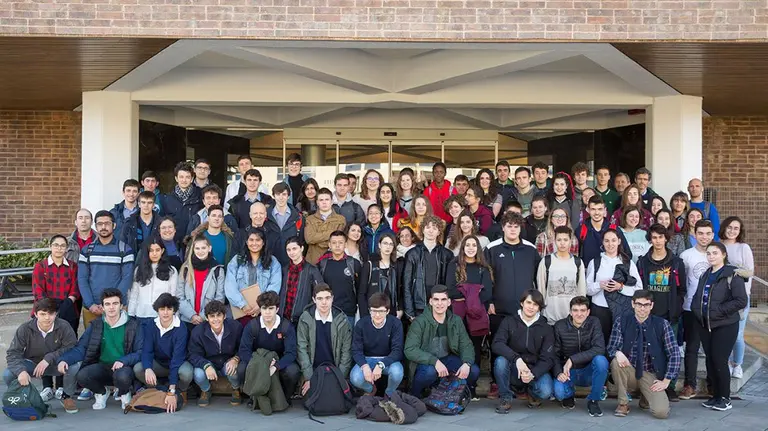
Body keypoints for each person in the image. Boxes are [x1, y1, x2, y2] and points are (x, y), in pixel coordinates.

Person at [58, 288, 142, 411]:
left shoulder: (134, 325)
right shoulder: (96, 325)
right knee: (82, 375)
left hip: (124, 368)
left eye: (115, 303)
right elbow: (81, 348)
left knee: (123, 377)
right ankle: (102, 392)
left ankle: (124, 393)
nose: (111, 307)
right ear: (102, 307)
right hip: (103, 367)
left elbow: (140, 352)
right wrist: (65, 360)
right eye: (107, 304)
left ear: (122, 306)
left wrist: (124, 361)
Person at [485, 211, 540, 398]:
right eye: (509, 226)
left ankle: (522, 384)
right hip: (499, 308)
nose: (513, 229)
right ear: (503, 227)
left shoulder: (531, 250)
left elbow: (537, 278)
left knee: (523, 346)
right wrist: (489, 301)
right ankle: (496, 382)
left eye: (516, 226)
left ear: (520, 228)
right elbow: (486, 278)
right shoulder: (492, 249)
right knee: (498, 344)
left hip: (525, 311)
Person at [691, 243, 748, 411]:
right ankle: (715, 396)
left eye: (715, 253)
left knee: (719, 360)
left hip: (725, 324)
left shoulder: (732, 275)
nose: (711, 256)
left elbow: (741, 300)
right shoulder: (705, 274)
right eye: (708, 253)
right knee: (710, 360)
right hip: (705, 324)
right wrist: (696, 311)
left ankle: (725, 398)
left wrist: (719, 311)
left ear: (723, 254)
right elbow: (698, 297)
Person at [608, 290, 679, 419]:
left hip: (651, 374)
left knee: (661, 413)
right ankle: (623, 403)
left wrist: (667, 380)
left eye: (646, 305)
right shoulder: (622, 321)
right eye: (639, 304)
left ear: (651, 305)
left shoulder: (662, 324)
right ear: (632, 304)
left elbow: (674, 353)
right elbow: (612, 346)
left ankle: (645, 398)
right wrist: (617, 352)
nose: (642, 308)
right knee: (615, 362)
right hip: (629, 370)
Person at [636, 224, 687, 401]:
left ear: (666, 238)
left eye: (660, 237)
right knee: (645, 351)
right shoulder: (642, 262)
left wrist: (676, 308)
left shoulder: (676, 262)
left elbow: (682, 290)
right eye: (654, 237)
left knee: (670, 352)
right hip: (647, 315)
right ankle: (645, 385)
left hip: (669, 316)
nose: (657, 241)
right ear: (650, 239)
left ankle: (669, 386)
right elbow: (638, 287)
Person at [4, 298, 79, 412]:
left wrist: (48, 358)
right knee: (8, 374)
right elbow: (13, 353)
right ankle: (24, 398)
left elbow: (72, 347)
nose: (47, 318)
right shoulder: (25, 328)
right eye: (43, 314)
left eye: (51, 314)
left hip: (57, 363)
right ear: (35, 314)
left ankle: (67, 397)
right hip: (33, 364)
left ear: (56, 314)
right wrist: (21, 371)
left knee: (74, 366)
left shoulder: (64, 326)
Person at [404, 284, 479, 397]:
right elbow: (410, 350)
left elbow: (466, 345)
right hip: (426, 363)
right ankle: (416, 394)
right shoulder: (419, 322)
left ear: (449, 302)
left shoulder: (456, 320)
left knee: (473, 370)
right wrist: (434, 361)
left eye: (443, 299)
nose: (440, 303)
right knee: (429, 373)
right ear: (431, 301)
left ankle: (450, 392)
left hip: (447, 359)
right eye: (436, 299)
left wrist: (467, 363)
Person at [492, 290, 555, 412]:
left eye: (535, 304)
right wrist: (516, 359)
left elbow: (548, 358)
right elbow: (497, 344)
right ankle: (506, 397)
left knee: (546, 391)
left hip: (535, 368)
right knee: (500, 362)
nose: (531, 307)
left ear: (539, 308)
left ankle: (532, 393)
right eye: (528, 302)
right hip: (514, 367)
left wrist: (533, 373)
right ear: (522, 303)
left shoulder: (546, 328)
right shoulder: (509, 321)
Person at [446, 235, 493, 385]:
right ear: (463, 248)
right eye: (467, 245)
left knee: (475, 348)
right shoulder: (454, 265)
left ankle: (472, 384)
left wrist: (464, 291)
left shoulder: (483, 268)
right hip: (458, 315)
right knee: (456, 346)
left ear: (478, 248)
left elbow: (487, 293)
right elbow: (451, 291)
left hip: (477, 315)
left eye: (474, 245)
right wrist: (474, 292)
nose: (471, 248)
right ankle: (457, 382)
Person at [134, 293, 194, 409]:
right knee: (139, 368)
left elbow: (176, 359)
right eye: (162, 309)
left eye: (169, 309)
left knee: (186, 373)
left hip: (178, 363)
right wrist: (148, 368)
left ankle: (180, 391)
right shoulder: (151, 325)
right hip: (159, 363)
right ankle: (159, 391)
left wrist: (171, 391)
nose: (165, 312)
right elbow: (147, 350)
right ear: (157, 310)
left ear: (174, 310)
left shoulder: (181, 328)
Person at [237, 291, 300, 401]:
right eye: (264, 308)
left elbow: (291, 353)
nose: (267, 312)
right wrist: (260, 364)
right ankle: (252, 396)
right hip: (257, 359)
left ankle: (285, 397)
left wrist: (276, 366)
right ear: (260, 309)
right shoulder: (252, 326)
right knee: (242, 368)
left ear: (277, 309)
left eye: (271, 308)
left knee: (293, 371)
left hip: (279, 360)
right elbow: (244, 350)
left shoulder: (286, 327)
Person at [678, 219, 715, 400]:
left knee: (711, 349)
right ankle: (690, 385)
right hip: (690, 308)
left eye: (708, 233)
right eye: (700, 233)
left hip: (713, 310)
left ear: (713, 235)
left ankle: (712, 384)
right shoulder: (686, 255)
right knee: (691, 347)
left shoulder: (717, 254)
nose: (704, 237)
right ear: (694, 234)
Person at [552, 296, 607, 416]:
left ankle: (593, 400)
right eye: (575, 310)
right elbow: (554, 354)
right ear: (570, 312)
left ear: (588, 312)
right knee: (559, 392)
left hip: (588, 371)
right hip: (568, 372)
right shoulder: (560, 326)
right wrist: (558, 373)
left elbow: (599, 348)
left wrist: (573, 359)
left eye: (583, 310)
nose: (579, 314)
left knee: (601, 361)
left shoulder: (594, 323)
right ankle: (569, 394)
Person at [78, 210, 134, 328]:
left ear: (114, 225)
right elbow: (82, 279)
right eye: (100, 224)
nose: (103, 227)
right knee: (92, 344)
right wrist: (90, 304)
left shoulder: (124, 250)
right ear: (95, 226)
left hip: (116, 308)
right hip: (92, 308)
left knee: (115, 344)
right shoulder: (87, 250)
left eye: (107, 223)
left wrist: (112, 305)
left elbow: (127, 279)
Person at [586, 229, 642, 344]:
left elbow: (639, 289)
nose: (610, 244)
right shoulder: (595, 263)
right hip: (600, 310)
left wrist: (620, 287)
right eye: (607, 241)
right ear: (602, 243)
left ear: (619, 241)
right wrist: (600, 285)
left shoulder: (628, 263)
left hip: (622, 310)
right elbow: (587, 289)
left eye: (613, 240)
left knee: (620, 343)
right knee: (600, 343)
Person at [297, 283, 353, 396]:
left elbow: (346, 352)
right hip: (313, 370)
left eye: (327, 298)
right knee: (313, 398)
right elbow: (301, 348)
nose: (324, 302)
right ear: (314, 299)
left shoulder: (342, 320)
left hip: (334, 370)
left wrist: (340, 378)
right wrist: (309, 377)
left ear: (332, 299)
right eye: (320, 298)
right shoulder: (306, 318)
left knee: (334, 398)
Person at [187, 299, 243, 407]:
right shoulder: (198, 331)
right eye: (212, 316)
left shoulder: (235, 327)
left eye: (219, 315)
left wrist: (236, 359)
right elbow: (193, 354)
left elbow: (244, 347)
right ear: (207, 318)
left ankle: (236, 389)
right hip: (208, 361)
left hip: (228, 360)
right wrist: (206, 365)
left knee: (233, 369)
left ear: (224, 316)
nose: (216, 319)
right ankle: (206, 390)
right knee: (198, 374)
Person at [350, 292, 405, 396]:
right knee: (355, 378)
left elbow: (397, 351)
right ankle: (371, 389)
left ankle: (389, 394)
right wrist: (364, 366)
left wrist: (381, 365)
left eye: (381, 311)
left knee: (397, 372)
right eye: (374, 311)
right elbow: (356, 350)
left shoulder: (395, 324)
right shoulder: (361, 324)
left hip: (388, 360)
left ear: (388, 311)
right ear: (369, 310)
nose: (377, 315)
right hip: (367, 359)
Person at [719, 217, 754, 379]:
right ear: (724, 227)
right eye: (730, 227)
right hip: (721, 297)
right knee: (723, 333)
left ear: (740, 231)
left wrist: (732, 270)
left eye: (736, 228)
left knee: (738, 334)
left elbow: (749, 271)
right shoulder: (719, 246)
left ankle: (737, 364)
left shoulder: (743, 247)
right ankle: (725, 362)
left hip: (740, 296)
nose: (732, 231)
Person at [226, 229, 282, 326]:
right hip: (241, 312)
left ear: (263, 242)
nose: (254, 243)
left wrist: (261, 305)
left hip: (264, 313)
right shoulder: (237, 260)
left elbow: (274, 286)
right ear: (247, 242)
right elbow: (229, 286)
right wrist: (242, 304)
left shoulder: (273, 262)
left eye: (258, 240)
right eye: (251, 240)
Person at [403, 215, 453, 321]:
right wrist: (410, 312)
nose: (431, 231)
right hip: (418, 306)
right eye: (428, 227)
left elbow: (450, 285)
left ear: (439, 232)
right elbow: (407, 284)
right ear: (423, 230)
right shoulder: (412, 254)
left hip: (439, 306)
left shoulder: (447, 255)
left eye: (435, 228)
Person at [537, 226, 586, 324]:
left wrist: (580, 312)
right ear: (554, 241)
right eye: (559, 240)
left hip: (571, 318)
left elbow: (581, 289)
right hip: (550, 316)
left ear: (570, 241)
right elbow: (541, 288)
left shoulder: (577, 262)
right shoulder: (546, 261)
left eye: (565, 240)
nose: (562, 243)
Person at [32, 234, 80, 334]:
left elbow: (75, 288)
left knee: (68, 340)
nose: (59, 248)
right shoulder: (40, 266)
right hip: (45, 308)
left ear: (67, 248)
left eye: (62, 246)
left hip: (67, 307)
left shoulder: (73, 266)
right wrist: (49, 307)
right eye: (56, 245)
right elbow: (38, 289)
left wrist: (67, 303)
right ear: (50, 246)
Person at [177, 235, 226, 328]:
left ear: (209, 248)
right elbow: (179, 296)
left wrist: (203, 316)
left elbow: (220, 298)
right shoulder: (186, 268)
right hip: (187, 320)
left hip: (208, 320)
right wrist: (192, 315)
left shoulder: (217, 270)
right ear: (193, 250)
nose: (200, 251)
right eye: (197, 248)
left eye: (203, 248)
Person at [128, 238, 179, 323]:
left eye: (157, 250)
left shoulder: (171, 271)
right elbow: (134, 294)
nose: (154, 254)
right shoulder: (139, 270)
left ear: (162, 251)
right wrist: (130, 314)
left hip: (161, 317)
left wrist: (175, 317)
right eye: (151, 250)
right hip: (141, 315)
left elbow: (174, 295)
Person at [319, 230, 362, 327]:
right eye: (334, 243)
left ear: (345, 244)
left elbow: (360, 288)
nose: (337, 246)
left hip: (348, 312)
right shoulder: (323, 264)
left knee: (346, 341)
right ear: (329, 245)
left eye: (340, 243)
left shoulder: (354, 263)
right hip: (327, 311)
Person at [279, 237, 324, 325]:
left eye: (294, 249)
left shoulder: (312, 270)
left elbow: (320, 293)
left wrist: (308, 313)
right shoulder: (284, 269)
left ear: (302, 248)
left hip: (302, 320)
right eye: (288, 250)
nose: (291, 252)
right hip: (283, 319)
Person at [578, 195, 631, 267]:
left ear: (605, 210)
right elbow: (575, 258)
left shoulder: (614, 229)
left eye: (600, 209)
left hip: (612, 275)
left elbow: (627, 254)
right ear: (588, 210)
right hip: (588, 274)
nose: (596, 213)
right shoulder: (580, 230)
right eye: (593, 209)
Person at [358, 233, 401, 318]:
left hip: (391, 314)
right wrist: (365, 316)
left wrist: (400, 311)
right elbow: (362, 293)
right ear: (379, 245)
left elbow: (400, 291)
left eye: (391, 244)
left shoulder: (397, 267)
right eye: (385, 243)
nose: (388, 247)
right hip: (373, 313)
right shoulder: (369, 265)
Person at [160, 162, 204, 242]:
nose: (184, 180)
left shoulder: (200, 196)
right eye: (181, 177)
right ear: (176, 178)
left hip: (194, 241)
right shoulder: (166, 198)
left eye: (187, 177)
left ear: (192, 179)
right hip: (173, 241)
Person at [305, 187, 347, 264]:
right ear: (317, 202)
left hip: (334, 260)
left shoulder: (341, 219)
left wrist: (317, 238)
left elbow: (337, 240)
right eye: (321, 200)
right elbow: (309, 239)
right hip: (313, 261)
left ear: (332, 201)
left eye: (327, 199)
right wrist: (331, 232)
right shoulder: (310, 219)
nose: (324, 202)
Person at [267, 182, 304, 267]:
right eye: (278, 194)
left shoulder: (298, 217)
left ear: (288, 196)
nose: (281, 197)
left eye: (284, 194)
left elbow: (301, 241)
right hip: (270, 262)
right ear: (273, 196)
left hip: (292, 264)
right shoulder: (265, 216)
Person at [119, 190, 160, 255]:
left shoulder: (161, 223)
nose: (146, 205)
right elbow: (122, 243)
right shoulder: (129, 222)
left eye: (149, 203)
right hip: (133, 261)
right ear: (139, 204)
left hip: (155, 260)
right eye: (143, 202)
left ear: (154, 205)